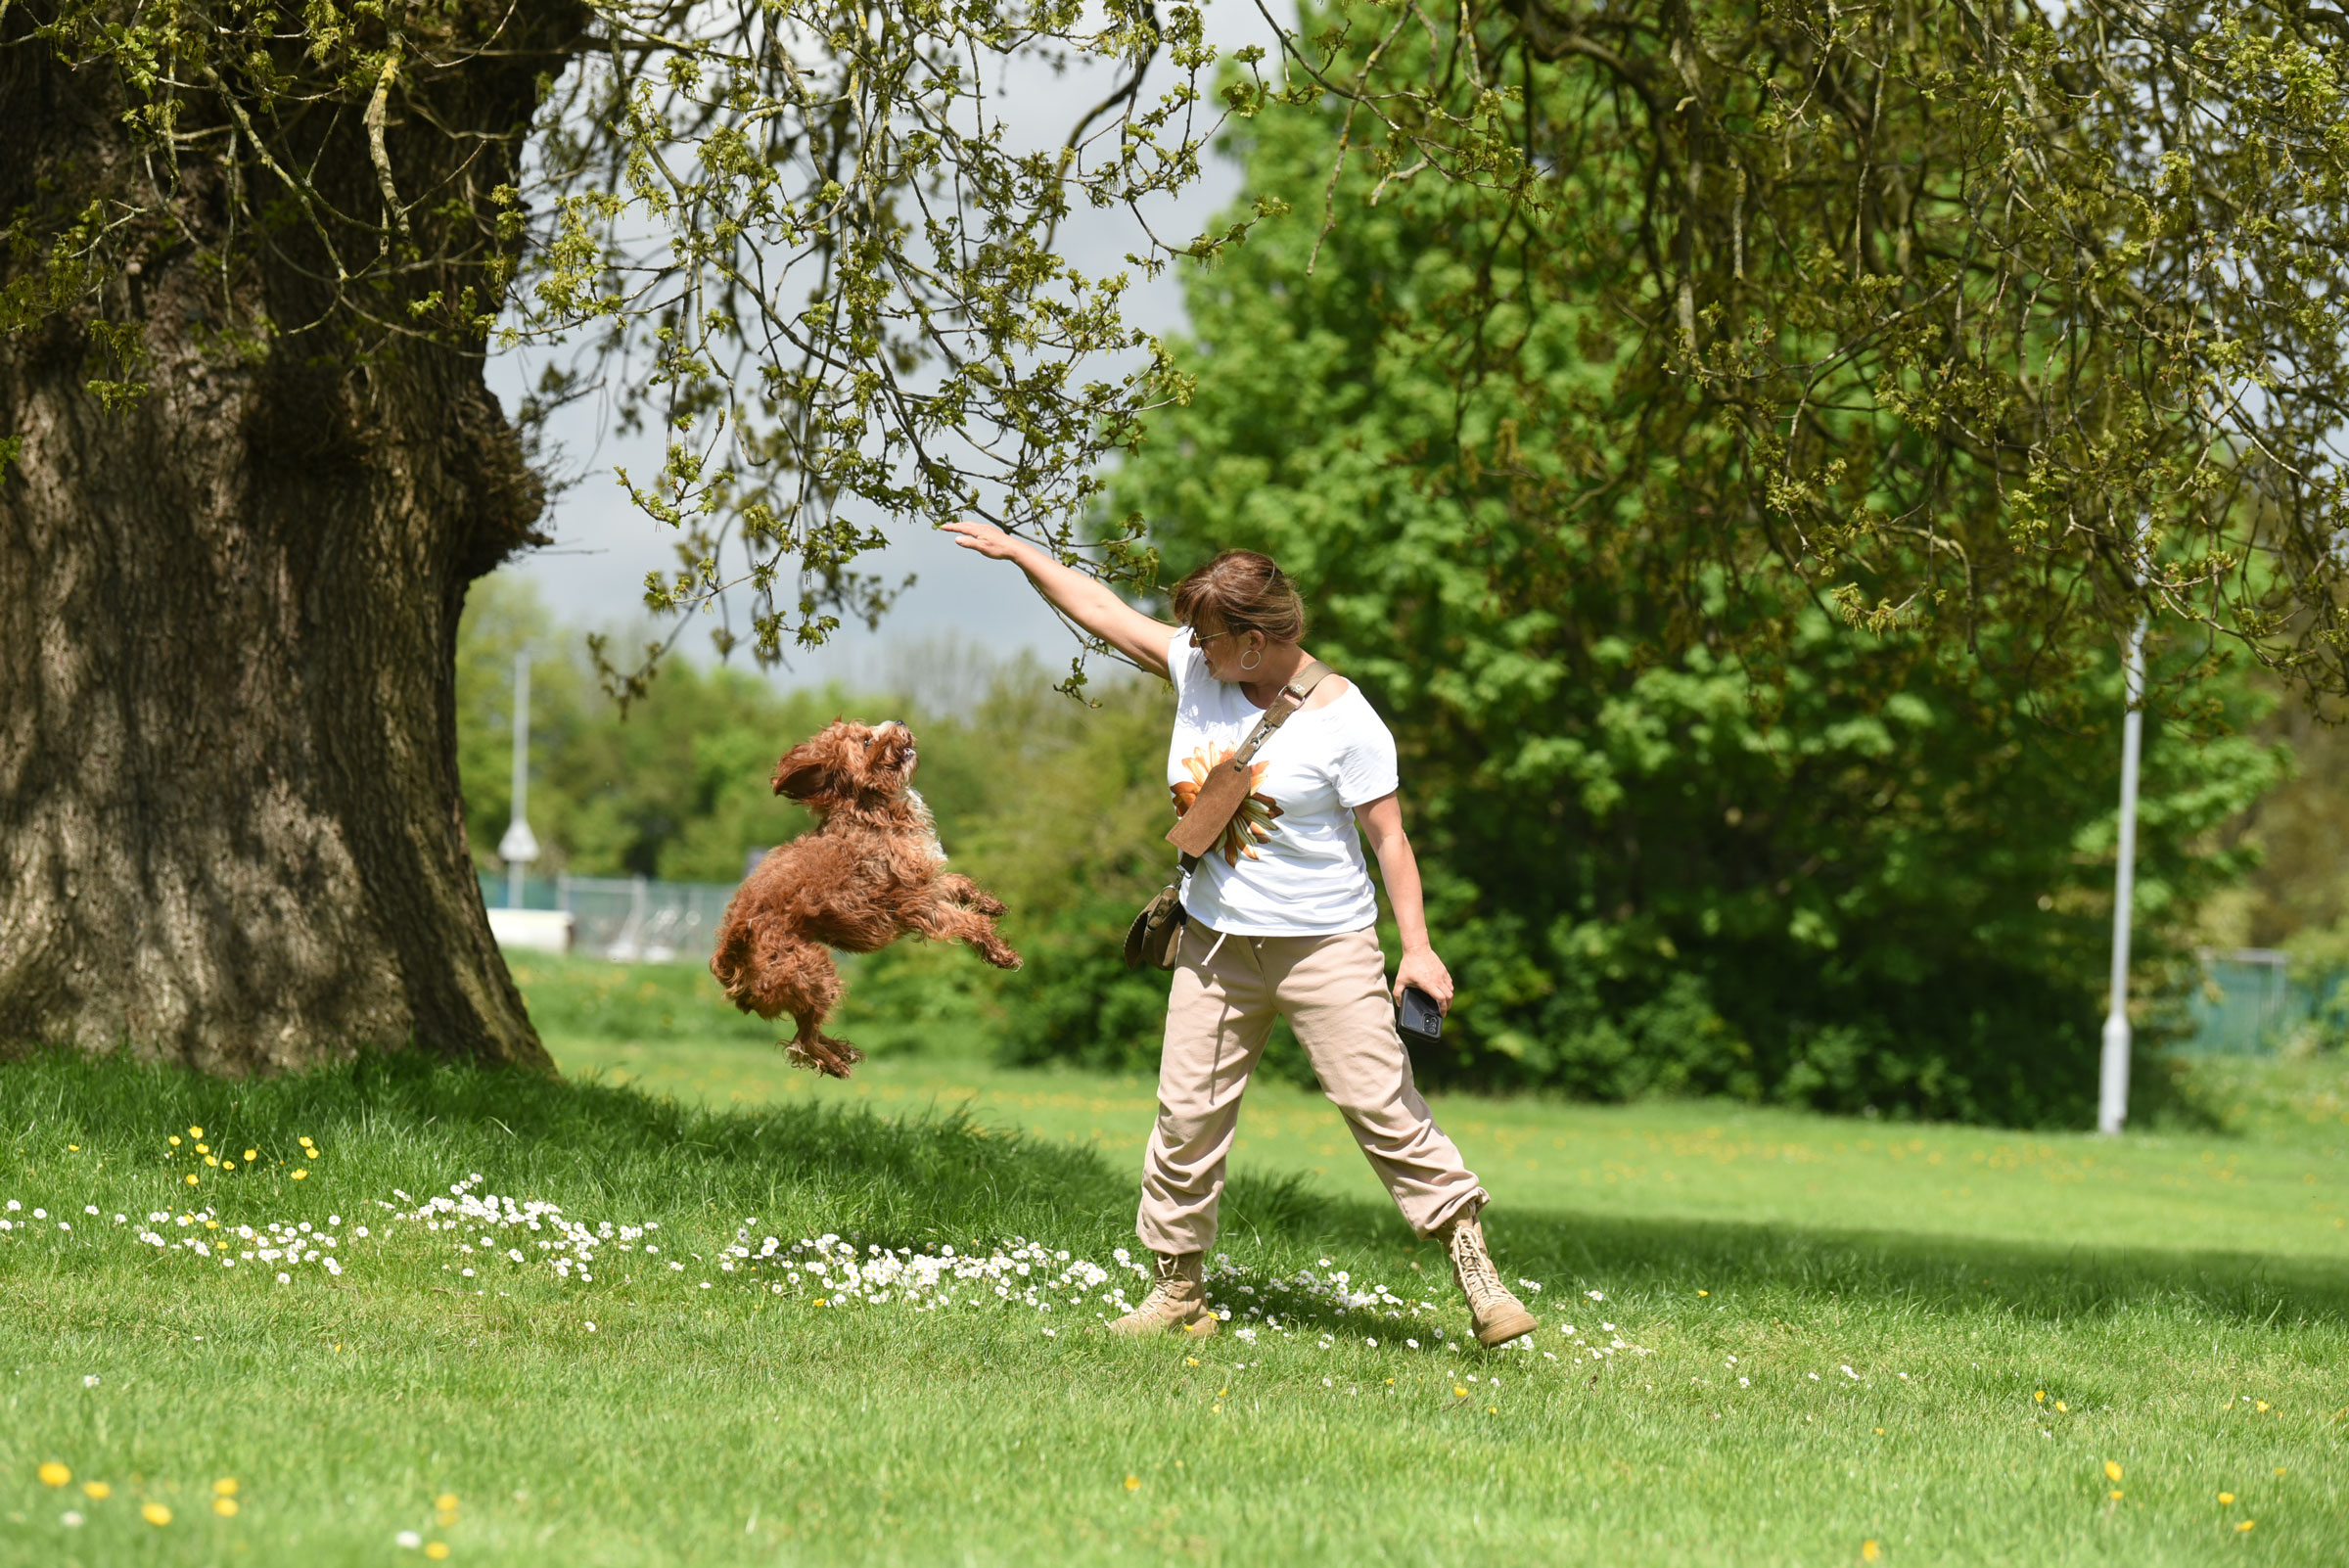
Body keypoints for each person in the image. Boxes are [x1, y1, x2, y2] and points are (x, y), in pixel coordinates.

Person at [943, 522, 1539, 1348]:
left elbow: (1390, 840)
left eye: (1210, 635)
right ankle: (1177, 1291)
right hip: (1216, 946)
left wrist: (1420, 948)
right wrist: (1021, 553)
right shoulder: (1198, 668)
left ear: (1254, 642)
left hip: (1324, 947)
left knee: (1381, 1106)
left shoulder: (1347, 720)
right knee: (1186, 1116)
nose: (1193, 646)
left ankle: (1476, 1270)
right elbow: (1104, 610)